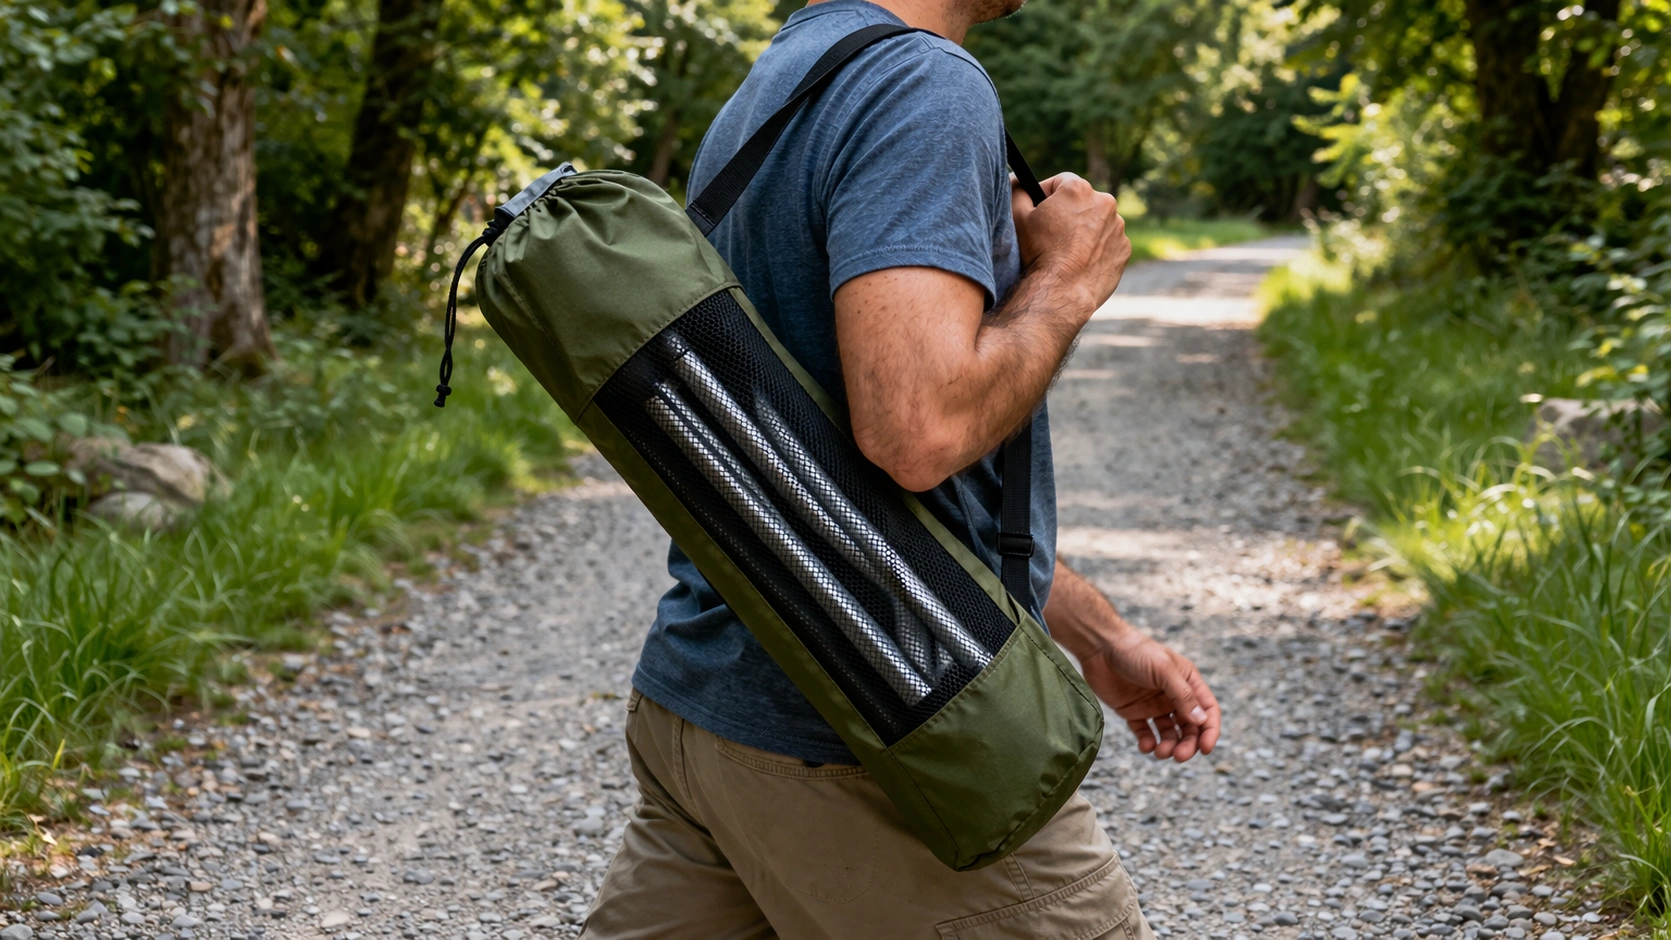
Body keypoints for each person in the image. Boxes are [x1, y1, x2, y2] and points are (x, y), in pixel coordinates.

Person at [583, 0, 1224, 933]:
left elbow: (823, 473)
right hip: (880, 735)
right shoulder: (925, 86)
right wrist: (1067, 280)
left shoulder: (782, 79)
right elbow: (915, 432)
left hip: (711, 711)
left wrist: (1095, 633)